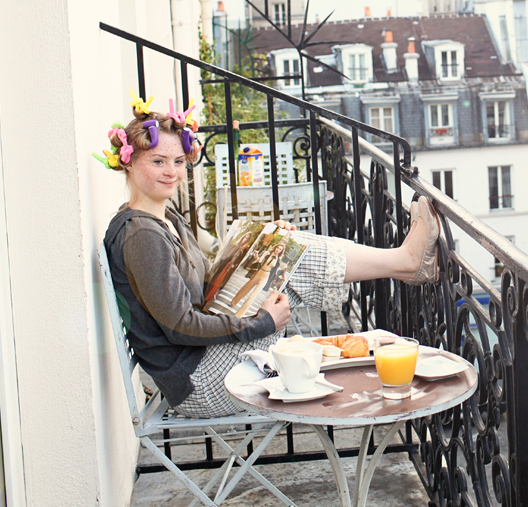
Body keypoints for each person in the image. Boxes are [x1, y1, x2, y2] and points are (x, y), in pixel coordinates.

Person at [100, 101, 441, 418]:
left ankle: (403, 265)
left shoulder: (165, 219)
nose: (171, 172)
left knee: (281, 248)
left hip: (202, 365)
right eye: (157, 161)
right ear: (128, 162)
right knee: (288, 256)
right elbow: (181, 327)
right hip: (199, 384)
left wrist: (262, 244)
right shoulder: (142, 235)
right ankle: (405, 263)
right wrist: (262, 324)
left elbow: (204, 286)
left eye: (177, 162)